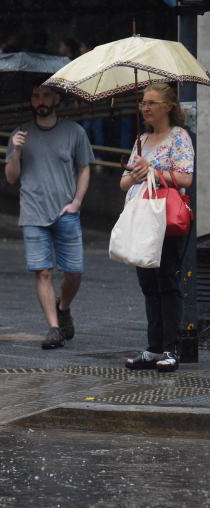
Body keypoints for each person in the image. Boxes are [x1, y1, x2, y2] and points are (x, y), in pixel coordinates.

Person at [5, 84, 94, 350]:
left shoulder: (74, 132)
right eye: (35, 96)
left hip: (65, 210)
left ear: (56, 98)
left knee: (74, 272)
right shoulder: (19, 134)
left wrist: (77, 202)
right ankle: (54, 328)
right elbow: (11, 178)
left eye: (45, 95)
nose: (40, 101)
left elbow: (84, 169)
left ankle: (63, 306)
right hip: (33, 212)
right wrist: (16, 150)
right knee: (42, 272)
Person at [121, 83, 194, 373]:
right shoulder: (141, 139)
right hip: (141, 217)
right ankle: (152, 348)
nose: (145, 108)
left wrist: (154, 171)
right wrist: (137, 174)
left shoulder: (179, 137)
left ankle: (170, 348)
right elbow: (124, 182)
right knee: (147, 283)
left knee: (167, 280)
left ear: (168, 107)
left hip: (165, 218)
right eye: (143, 103)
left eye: (152, 102)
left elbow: (185, 178)